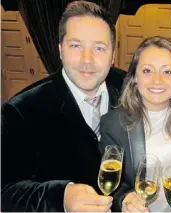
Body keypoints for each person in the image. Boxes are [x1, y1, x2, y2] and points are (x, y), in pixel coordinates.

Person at [1, 1, 126, 212]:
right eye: (76, 46)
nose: (87, 60)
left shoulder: (127, 87)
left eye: (99, 48)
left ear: (112, 55)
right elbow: (5, 193)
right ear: (60, 50)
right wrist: (61, 198)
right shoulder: (21, 111)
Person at [99, 36, 171, 212]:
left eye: (168, 72)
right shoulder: (113, 124)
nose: (157, 80)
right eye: (147, 71)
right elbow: (114, 184)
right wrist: (125, 199)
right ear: (134, 77)